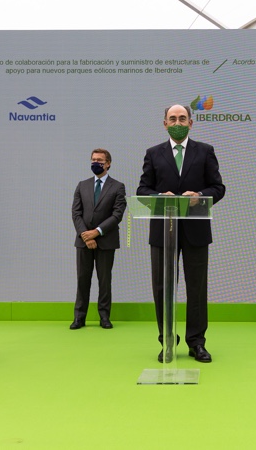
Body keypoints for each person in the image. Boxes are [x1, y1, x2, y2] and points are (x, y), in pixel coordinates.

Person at [137, 104, 225, 363]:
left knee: (196, 288)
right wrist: (157, 196)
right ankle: (167, 340)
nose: (178, 122)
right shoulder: (153, 154)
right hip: (163, 231)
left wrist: (200, 196)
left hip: (196, 230)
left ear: (191, 122)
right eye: (172, 118)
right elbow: (143, 189)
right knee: (162, 287)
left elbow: (218, 187)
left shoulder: (205, 151)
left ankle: (196, 342)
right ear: (164, 123)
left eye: (182, 118)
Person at [70, 148, 126, 330]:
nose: (96, 163)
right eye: (93, 159)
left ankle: (104, 317)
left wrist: (97, 232)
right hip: (83, 241)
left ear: (108, 163)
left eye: (100, 160)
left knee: (104, 281)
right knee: (82, 280)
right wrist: (86, 235)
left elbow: (117, 214)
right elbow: (76, 213)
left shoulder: (118, 187)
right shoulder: (82, 185)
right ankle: (79, 317)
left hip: (106, 241)